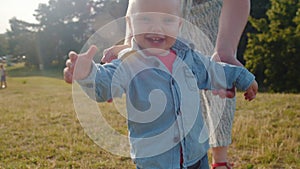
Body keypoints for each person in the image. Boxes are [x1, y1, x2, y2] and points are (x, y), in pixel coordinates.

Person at [64, 0, 258, 168]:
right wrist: (87, 73)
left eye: (167, 20)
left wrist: (244, 78)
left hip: (196, 155)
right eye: (146, 18)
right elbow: (104, 84)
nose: (156, 28)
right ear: (131, 22)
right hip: (157, 161)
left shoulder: (188, 57)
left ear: (179, 24)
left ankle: (220, 160)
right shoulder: (129, 63)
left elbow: (215, 70)